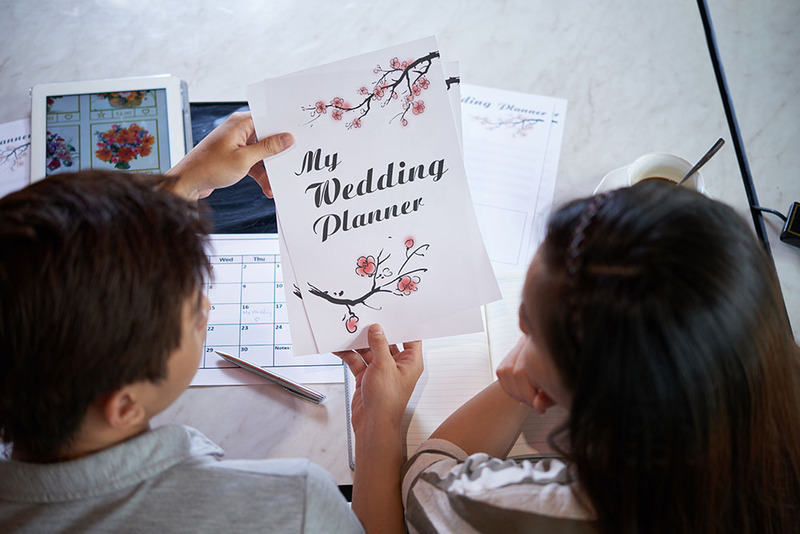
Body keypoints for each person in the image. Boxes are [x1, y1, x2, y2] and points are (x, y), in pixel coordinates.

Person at [341, 181, 800, 533]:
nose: (519, 336)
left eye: (529, 327)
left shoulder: (554, 509)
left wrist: (378, 424)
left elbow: (426, 484)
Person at [0, 113, 364, 533]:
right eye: (193, 314)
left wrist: (181, 184)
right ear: (124, 406)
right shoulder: (293, 504)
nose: (206, 306)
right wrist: (380, 429)